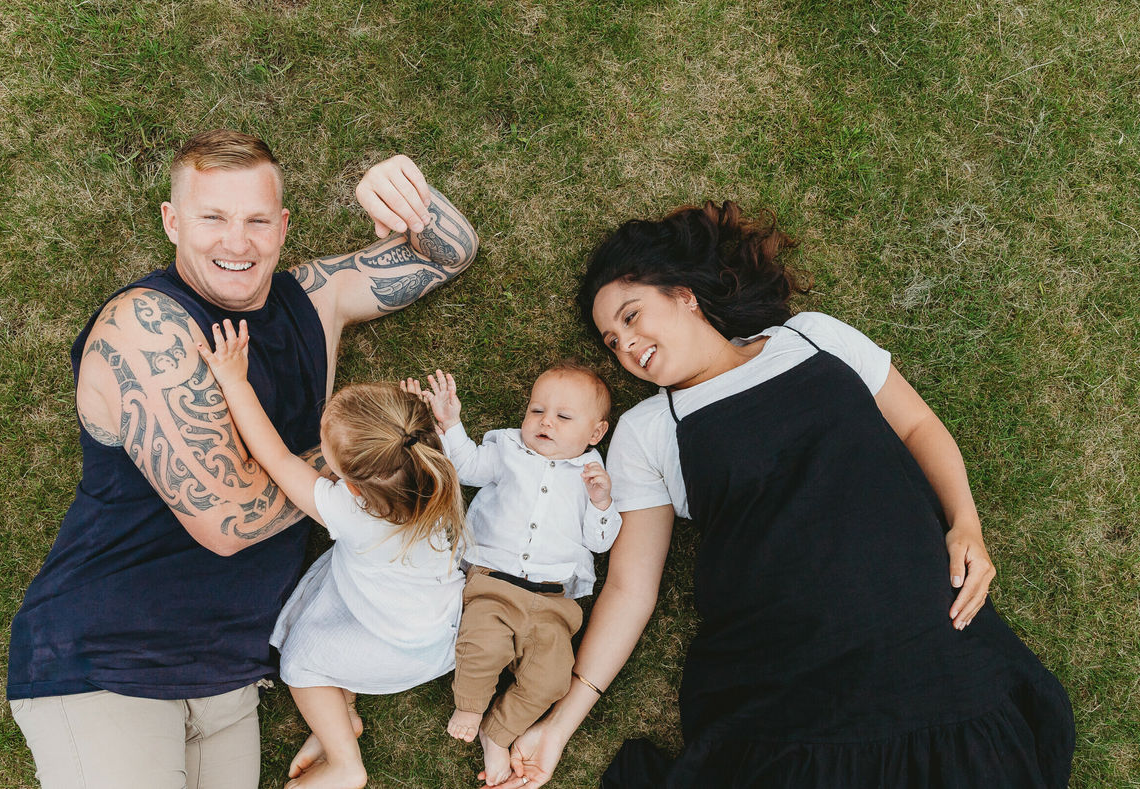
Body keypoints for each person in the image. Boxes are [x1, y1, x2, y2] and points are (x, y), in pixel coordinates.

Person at [497, 201, 1074, 788]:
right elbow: (630, 588)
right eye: (612, 340)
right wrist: (561, 723)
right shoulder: (649, 430)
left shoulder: (812, 338)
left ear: (684, 296)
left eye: (632, 315)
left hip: (923, 624)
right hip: (797, 663)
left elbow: (918, 427)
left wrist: (965, 524)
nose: (626, 344)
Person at [5, 129, 478, 789]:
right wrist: (384, 463)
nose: (237, 241)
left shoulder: (317, 297)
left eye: (257, 220)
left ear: (283, 227)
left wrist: (406, 195)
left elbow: (451, 254)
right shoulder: (146, 325)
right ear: (172, 222)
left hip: (229, 676)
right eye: (213, 218)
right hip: (108, 661)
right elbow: (230, 519)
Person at [202, 320, 467, 789]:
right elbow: (405, 438)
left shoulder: (352, 513)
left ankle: (345, 762)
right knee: (316, 599)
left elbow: (276, 458)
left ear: (355, 486)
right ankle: (340, 711)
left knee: (300, 662)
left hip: (404, 644)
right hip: (430, 614)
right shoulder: (432, 473)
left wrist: (234, 380)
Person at [405, 366, 619, 785]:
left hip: (554, 602)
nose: (545, 421)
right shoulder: (507, 448)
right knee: (481, 645)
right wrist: (450, 423)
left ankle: (497, 730)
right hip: (494, 583)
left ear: (595, 433)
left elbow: (600, 541)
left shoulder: (595, 476)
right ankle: (470, 706)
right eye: (537, 409)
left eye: (563, 417)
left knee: (553, 680)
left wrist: (602, 502)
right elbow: (466, 468)